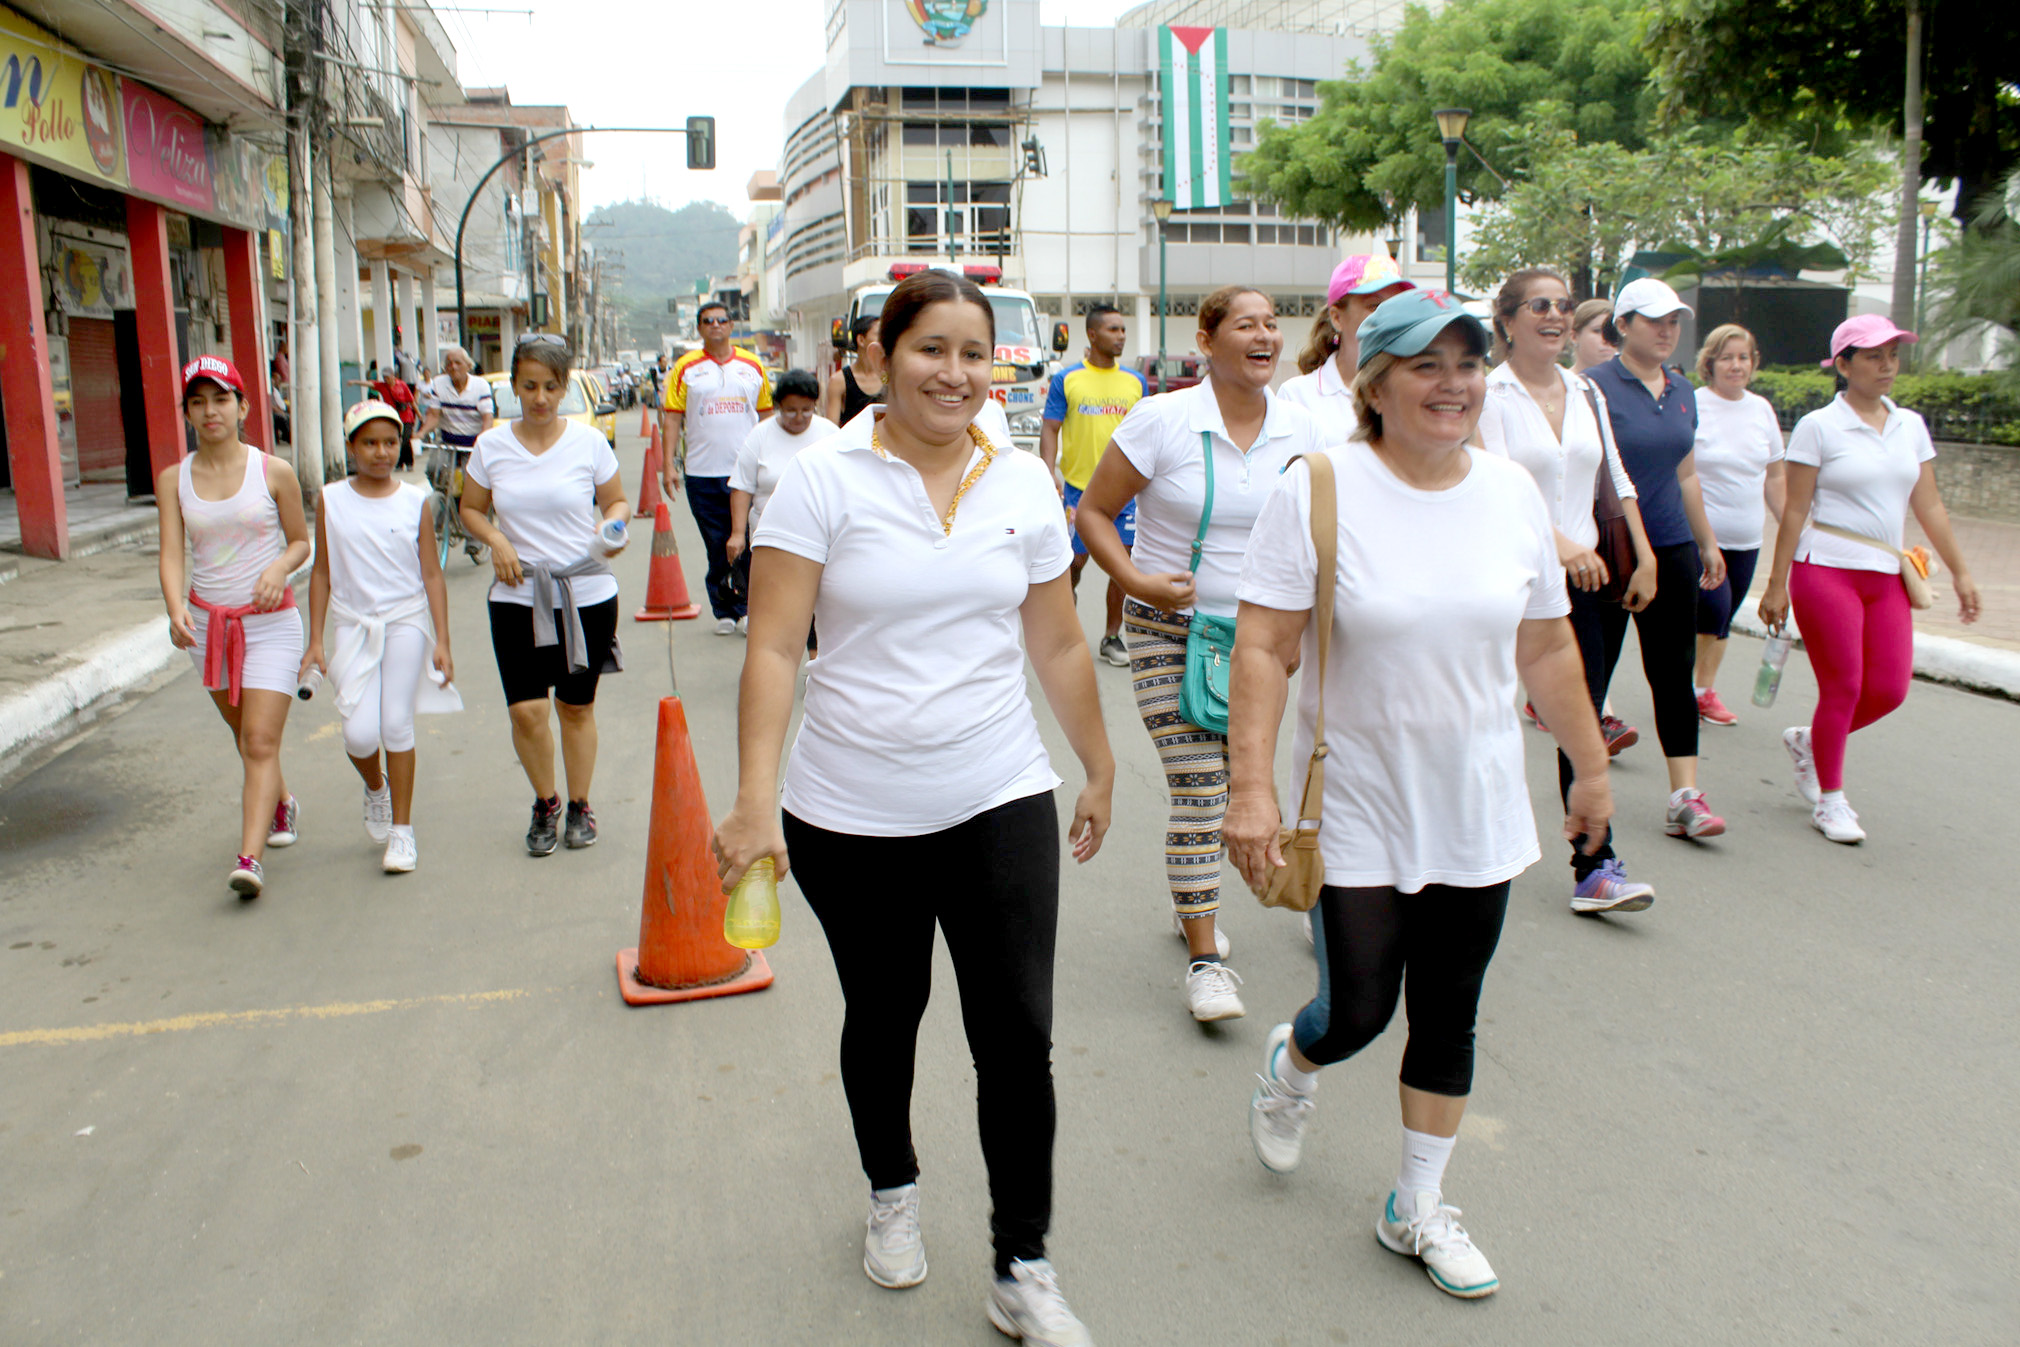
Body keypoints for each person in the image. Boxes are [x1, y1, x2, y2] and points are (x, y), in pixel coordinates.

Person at [711, 270, 1113, 1345]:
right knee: (885, 1017)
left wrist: (1098, 761)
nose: (956, 371)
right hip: (850, 812)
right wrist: (755, 802)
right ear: (877, 361)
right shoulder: (822, 480)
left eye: (974, 352)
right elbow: (770, 649)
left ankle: (1021, 1264)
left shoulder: (1024, 480)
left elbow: (1059, 638)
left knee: (1016, 1038)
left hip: (996, 790)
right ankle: (892, 1190)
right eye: (931, 348)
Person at [1223, 288, 1616, 1302]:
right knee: (1355, 1012)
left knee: (1448, 1012)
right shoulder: (1319, 488)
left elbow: (1542, 642)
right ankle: (1294, 1064)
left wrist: (1592, 767)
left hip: (1476, 796)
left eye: (1468, 365)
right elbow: (1264, 645)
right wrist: (1250, 791)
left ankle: (1416, 1207)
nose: (1454, 385)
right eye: (1428, 366)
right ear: (1377, 384)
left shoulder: (1510, 491)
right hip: (1353, 797)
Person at [1075, 286, 1324, 1021]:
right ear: (1206, 341)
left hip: (1260, 643)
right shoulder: (1163, 420)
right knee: (1204, 789)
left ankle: (1203, 899)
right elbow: (1093, 509)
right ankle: (1206, 961)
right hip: (1167, 633)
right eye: (1246, 323)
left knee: (1250, 779)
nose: (1265, 335)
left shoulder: (1305, 430)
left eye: (1273, 324)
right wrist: (1134, 579)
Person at [1475, 268, 1661, 913]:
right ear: (1507, 322)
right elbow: (1494, 485)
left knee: (1579, 709)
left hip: (1586, 580)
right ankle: (1461, 847)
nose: (1554, 316)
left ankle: (1594, 865)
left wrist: (1642, 554)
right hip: (1510, 577)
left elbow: (1615, 473)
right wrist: (1562, 547)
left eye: (1563, 306)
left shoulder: (1586, 390)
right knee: (1479, 709)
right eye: (1539, 306)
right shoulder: (1489, 393)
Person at [1759, 316, 1981, 844]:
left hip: (1885, 574)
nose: (1887, 366)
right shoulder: (1819, 426)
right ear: (1843, 365)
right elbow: (1794, 512)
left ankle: (1811, 742)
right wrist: (1776, 583)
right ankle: (1830, 801)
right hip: (1826, 568)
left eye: (1892, 355)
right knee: (1845, 685)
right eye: (1873, 356)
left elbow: (1928, 504)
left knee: (1888, 689)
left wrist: (1963, 572)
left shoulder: (1911, 425)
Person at [458, 335, 630, 856]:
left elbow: (617, 501)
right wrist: (496, 539)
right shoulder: (490, 446)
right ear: (512, 386)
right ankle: (545, 801)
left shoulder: (588, 444)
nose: (540, 398)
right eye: (529, 386)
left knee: (576, 708)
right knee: (526, 711)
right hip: (517, 595)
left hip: (587, 592)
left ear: (564, 387)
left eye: (551, 387)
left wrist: (613, 529)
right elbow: (470, 510)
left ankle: (580, 804)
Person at [155, 355, 311, 898]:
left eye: (220, 399)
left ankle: (250, 858)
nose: (209, 411)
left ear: (243, 405)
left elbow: (300, 540)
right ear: (188, 413)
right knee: (245, 735)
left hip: (270, 625)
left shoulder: (273, 471)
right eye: (196, 402)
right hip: (209, 629)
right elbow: (172, 552)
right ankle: (281, 800)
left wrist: (278, 567)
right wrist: (175, 606)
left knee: (261, 739)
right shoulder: (174, 479)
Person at [1583, 279, 1731, 843]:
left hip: (1670, 548)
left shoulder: (1682, 388)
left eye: (1674, 321)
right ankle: (1588, 796)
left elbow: (1685, 473)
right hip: (1610, 551)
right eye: (1654, 320)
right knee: (1592, 678)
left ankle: (1685, 795)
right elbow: (1595, 474)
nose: (1667, 331)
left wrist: (1707, 542)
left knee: (1672, 672)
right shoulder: (1591, 387)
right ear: (1623, 325)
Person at [300, 402, 460, 873]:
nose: (381, 452)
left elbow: (431, 574)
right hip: (353, 623)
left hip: (406, 620)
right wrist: (315, 639)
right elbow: (323, 572)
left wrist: (443, 641)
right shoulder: (331, 499)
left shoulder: (415, 499)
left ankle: (403, 833)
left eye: (390, 442)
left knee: (395, 724)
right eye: (369, 443)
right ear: (350, 447)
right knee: (358, 732)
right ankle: (376, 789)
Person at [1039, 304, 1149, 667]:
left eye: (1123, 330)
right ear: (1092, 334)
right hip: (1077, 490)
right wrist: (1047, 471)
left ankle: (1111, 636)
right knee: (1072, 563)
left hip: (1124, 493)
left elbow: (1148, 432)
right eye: (1113, 330)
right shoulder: (1067, 379)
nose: (1121, 336)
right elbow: (1051, 428)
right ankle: (1063, 628)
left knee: (1124, 564)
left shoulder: (1135, 382)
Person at [1690, 324, 1787, 725]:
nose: (1736, 365)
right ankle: (1692, 689)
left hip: (1746, 537)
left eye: (1743, 357)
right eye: (1727, 357)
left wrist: (1793, 524)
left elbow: (1776, 476)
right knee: (1713, 610)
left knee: (1723, 617)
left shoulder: (1761, 409)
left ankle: (1702, 690)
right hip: (1701, 535)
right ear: (1710, 362)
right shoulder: (1693, 403)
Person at [660, 302, 773, 635]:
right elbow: (672, 418)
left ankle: (748, 607)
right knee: (717, 544)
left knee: (750, 542)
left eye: (722, 320)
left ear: (731, 325)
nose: (715, 326)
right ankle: (725, 609)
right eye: (707, 321)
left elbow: (766, 415)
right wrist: (668, 465)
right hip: (702, 471)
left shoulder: (752, 365)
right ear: (699, 329)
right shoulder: (685, 368)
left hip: (748, 473)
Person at [728, 368, 837, 655]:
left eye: (806, 410)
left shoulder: (829, 433)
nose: (799, 417)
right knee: (775, 606)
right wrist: (738, 533)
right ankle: (771, 660)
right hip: (770, 538)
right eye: (790, 411)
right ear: (778, 406)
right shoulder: (760, 436)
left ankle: (815, 665)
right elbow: (742, 486)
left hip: (820, 536)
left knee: (817, 606)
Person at [1280, 253, 1414, 444]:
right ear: (1337, 318)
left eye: (1396, 305)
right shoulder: (1296, 395)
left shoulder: (1415, 389)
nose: (1388, 316)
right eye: (1374, 306)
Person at [418, 343, 496, 454]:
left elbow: (487, 419)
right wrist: (422, 432)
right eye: (449, 364)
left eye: (458, 363)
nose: (453, 367)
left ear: (468, 366)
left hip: (473, 442)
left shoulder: (481, 385)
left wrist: (481, 441)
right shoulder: (438, 383)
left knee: (470, 470)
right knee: (433, 468)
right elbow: (434, 415)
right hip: (448, 442)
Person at [826, 315, 886, 427]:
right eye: (879, 334)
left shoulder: (890, 376)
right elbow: (831, 429)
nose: (884, 338)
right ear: (861, 340)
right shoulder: (839, 381)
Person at [1569, 299, 1617, 374]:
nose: (1607, 339)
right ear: (1574, 337)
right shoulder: (1563, 383)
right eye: (1597, 331)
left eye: (1612, 331)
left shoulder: (1633, 383)